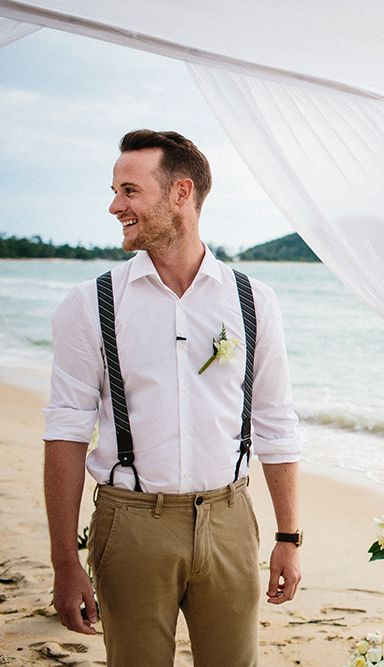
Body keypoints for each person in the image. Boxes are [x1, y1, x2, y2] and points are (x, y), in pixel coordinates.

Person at [42, 129, 303, 666]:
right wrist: (65, 561)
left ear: (181, 193)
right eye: (116, 190)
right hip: (131, 524)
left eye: (130, 191)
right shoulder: (90, 304)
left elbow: (276, 421)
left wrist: (288, 536)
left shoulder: (254, 301)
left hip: (230, 519)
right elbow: (66, 432)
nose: (115, 206)